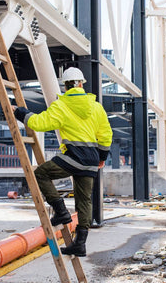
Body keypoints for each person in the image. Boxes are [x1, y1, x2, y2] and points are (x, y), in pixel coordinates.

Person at [12, 67, 113, 257]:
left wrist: (20, 112)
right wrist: (102, 157)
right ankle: (80, 244)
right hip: (91, 160)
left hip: (74, 157)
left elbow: (39, 123)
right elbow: (106, 134)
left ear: (65, 86)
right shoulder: (96, 107)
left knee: (41, 173)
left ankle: (61, 211)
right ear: (81, 84)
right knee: (84, 201)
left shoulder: (62, 106)